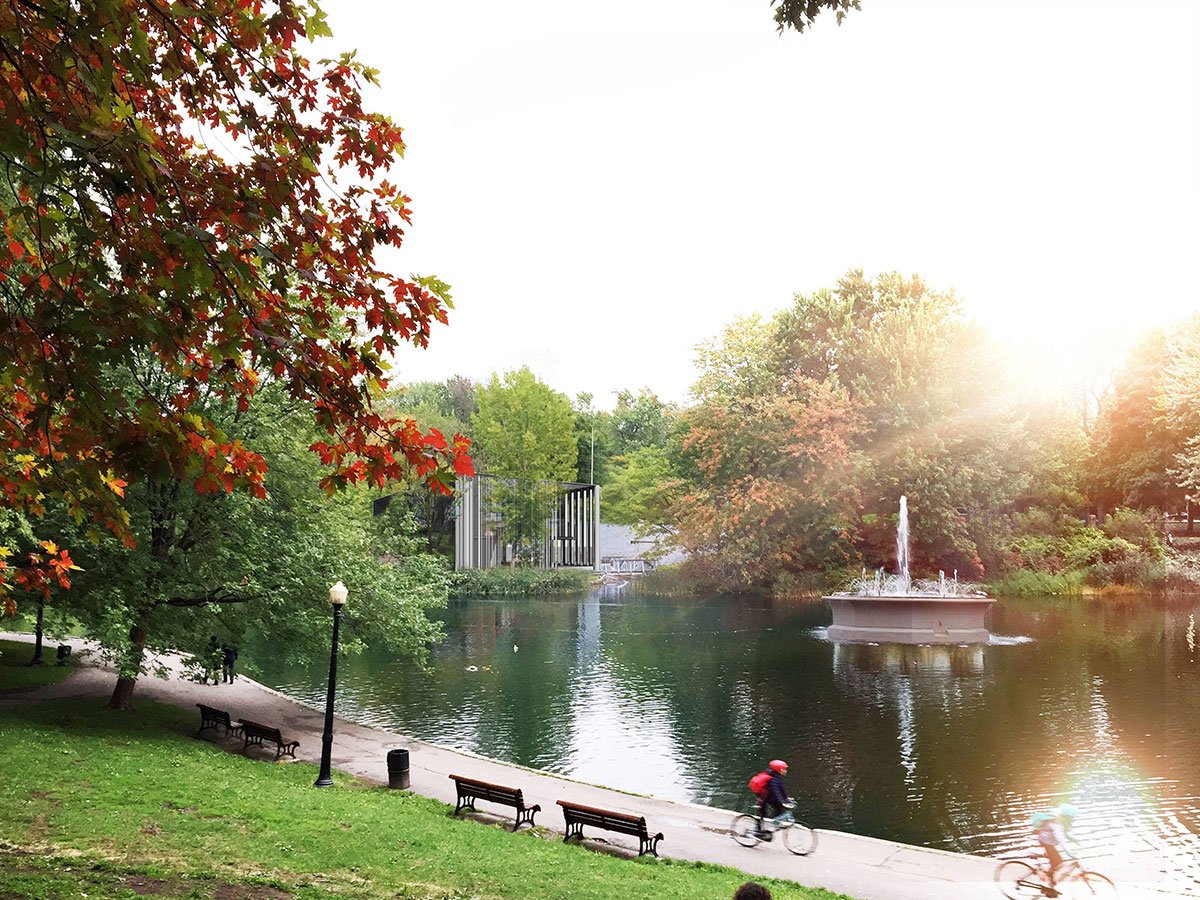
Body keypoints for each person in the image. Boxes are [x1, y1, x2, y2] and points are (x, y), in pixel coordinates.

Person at [1032, 804, 1079, 884]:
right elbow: (1060, 839)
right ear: (1066, 817)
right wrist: (1068, 852)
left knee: (1056, 861)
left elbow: (1063, 833)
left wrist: (1072, 839)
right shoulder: (1057, 824)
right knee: (1057, 862)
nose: (1072, 819)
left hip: (1049, 840)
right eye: (1071, 817)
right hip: (1045, 841)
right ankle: (1049, 878)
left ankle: (1050, 876)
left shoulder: (1060, 821)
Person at [755, 759, 793, 838]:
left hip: (769, 797)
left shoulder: (777, 776)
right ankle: (757, 833)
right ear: (778, 770)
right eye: (784, 769)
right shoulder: (773, 779)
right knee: (763, 813)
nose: (785, 771)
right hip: (764, 798)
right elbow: (776, 792)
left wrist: (787, 798)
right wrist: (782, 802)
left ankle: (771, 827)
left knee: (778, 810)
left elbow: (782, 788)